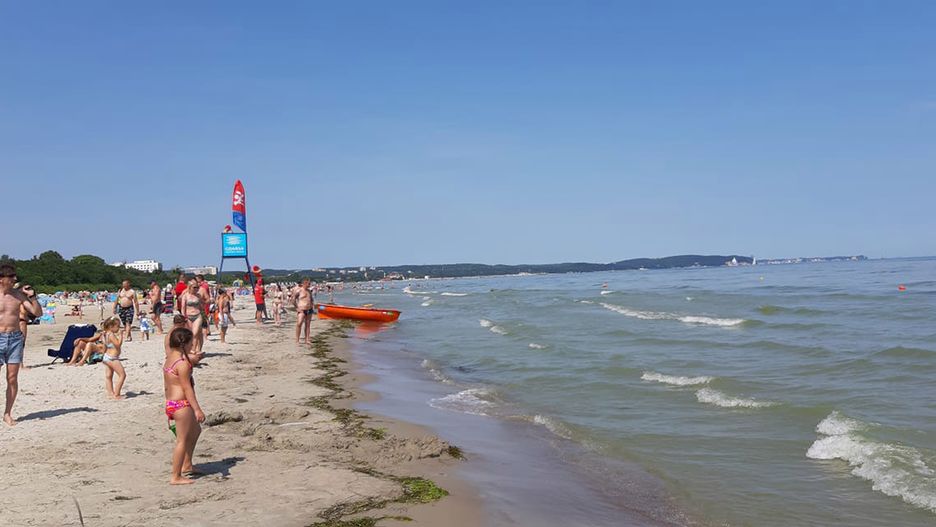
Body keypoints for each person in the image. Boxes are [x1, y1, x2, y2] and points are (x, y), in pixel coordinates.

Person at [0, 264, 42, 426]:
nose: (14, 280)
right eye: (11, 277)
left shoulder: (18, 295)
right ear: (2, 279)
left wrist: (32, 297)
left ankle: (7, 413)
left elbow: (37, 313)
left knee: (12, 378)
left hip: (15, 338)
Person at [163, 327, 205, 485]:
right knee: (182, 440)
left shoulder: (169, 358)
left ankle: (187, 464)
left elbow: (188, 359)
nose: (192, 347)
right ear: (184, 344)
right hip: (181, 404)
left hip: (172, 403)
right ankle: (175, 476)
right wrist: (197, 409)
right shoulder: (182, 365)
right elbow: (187, 389)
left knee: (195, 431)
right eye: (190, 344)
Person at [97, 316, 127, 399]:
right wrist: (121, 335)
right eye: (117, 326)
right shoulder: (111, 335)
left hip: (106, 357)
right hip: (112, 358)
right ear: (111, 327)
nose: (118, 328)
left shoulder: (105, 334)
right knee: (122, 375)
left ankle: (110, 393)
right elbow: (118, 345)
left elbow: (104, 346)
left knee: (108, 376)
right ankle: (117, 394)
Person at [178, 279, 206, 362]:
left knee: (195, 333)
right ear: (190, 287)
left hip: (198, 315)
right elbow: (183, 308)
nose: (196, 289)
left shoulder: (198, 296)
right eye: (195, 287)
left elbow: (201, 306)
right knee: (189, 334)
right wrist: (184, 317)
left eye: (197, 287)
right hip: (188, 316)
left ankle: (193, 350)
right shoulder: (185, 296)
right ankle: (189, 349)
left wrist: (204, 312)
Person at [290, 278, 315, 344]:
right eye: (308, 284)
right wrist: (297, 308)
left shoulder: (309, 291)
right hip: (302, 309)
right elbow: (293, 299)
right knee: (299, 323)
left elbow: (311, 299)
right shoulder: (299, 291)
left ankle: (307, 339)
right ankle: (297, 340)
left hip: (309, 309)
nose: (309, 285)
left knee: (307, 325)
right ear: (304, 283)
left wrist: (313, 305)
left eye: (310, 283)